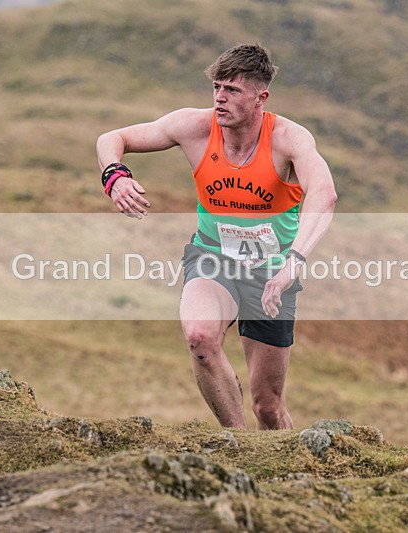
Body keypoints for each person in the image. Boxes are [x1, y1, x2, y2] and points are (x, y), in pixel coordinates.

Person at [96, 44, 336, 430]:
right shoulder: (194, 127)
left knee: (268, 407)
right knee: (200, 337)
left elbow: (324, 194)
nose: (220, 98)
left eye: (232, 90)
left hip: (271, 272)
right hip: (212, 259)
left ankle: (282, 458)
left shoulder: (288, 139)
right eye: (216, 87)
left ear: (261, 98)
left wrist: (293, 264)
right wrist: (115, 176)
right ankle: (236, 443)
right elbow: (112, 138)